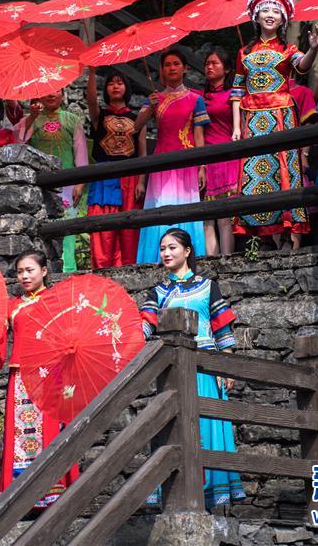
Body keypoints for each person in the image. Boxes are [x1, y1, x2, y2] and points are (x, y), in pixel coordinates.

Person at [139, 228, 246, 509]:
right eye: (162, 249)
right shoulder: (157, 293)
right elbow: (145, 326)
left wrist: (228, 365)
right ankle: (178, 494)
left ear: (187, 251)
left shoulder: (208, 287)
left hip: (206, 369)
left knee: (208, 428)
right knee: (176, 429)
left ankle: (214, 497)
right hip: (172, 368)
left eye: (172, 247)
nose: (166, 253)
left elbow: (222, 329)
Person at [230, 0, 318, 250]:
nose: (270, 14)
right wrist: (236, 128)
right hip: (251, 119)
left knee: (282, 173)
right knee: (255, 173)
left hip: (281, 117)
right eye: (265, 10)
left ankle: (286, 234)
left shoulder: (287, 50)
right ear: (256, 16)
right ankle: (259, 237)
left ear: (282, 18)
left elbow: (302, 67)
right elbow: (236, 90)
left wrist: (314, 49)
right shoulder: (244, 52)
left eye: (275, 10)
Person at [0, 249, 80, 509]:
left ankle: (54, 494)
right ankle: (22, 496)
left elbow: (71, 334)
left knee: (51, 431)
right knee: (20, 435)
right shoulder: (12, 307)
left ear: (45, 271)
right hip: (20, 377)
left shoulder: (58, 301)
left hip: (51, 374)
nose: (24, 276)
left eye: (30, 270)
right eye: (20, 272)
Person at [133, 48, 210, 263]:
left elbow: (199, 135)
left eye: (176, 63)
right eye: (167, 65)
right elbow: (136, 126)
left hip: (187, 162)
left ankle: (189, 259)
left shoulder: (196, 99)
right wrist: (149, 109)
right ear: (161, 70)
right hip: (162, 162)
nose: (172, 68)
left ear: (184, 69)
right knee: (160, 207)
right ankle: (156, 260)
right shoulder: (155, 99)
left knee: (187, 208)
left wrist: (202, 166)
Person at [16, 90, 88, 272]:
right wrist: (32, 117)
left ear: (63, 94)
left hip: (68, 184)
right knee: (42, 226)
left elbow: (80, 152)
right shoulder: (31, 120)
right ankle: (43, 268)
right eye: (46, 91)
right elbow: (19, 142)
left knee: (68, 227)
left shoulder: (72, 120)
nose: (50, 94)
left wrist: (80, 182)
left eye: (56, 90)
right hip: (40, 184)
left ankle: (68, 268)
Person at [84, 67, 145, 268]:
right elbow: (91, 100)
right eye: (111, 83)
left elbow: (143, 154)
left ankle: (130, 269)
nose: (115, 86)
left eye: (120, 82)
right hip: (104, 177)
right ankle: (102, 270)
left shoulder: (138, 118)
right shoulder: (98, 116)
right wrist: (92, 72)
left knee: (130, 230)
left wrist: (142, 181)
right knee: (103, 230)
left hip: (130, 178)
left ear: (126, 88)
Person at [201, 47, 238, 256]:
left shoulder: (233, 94)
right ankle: (210, 262)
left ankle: (227, 261)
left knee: (224, 217)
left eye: (215, 63)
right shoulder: (200, 97)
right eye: (207, 63)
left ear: (227, 69)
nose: (210, 67)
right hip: (204, 158)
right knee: (207, 217)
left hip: (226, 155)